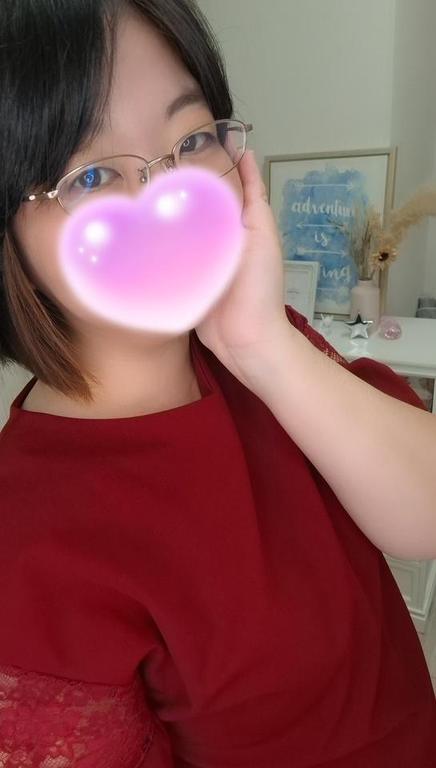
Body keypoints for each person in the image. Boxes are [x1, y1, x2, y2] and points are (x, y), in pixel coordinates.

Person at [0, 1, 435, 766]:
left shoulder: (262, 345)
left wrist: (265, 348)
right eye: (91, 175)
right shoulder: (27, 532)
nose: (168, 201)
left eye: (193, 139)